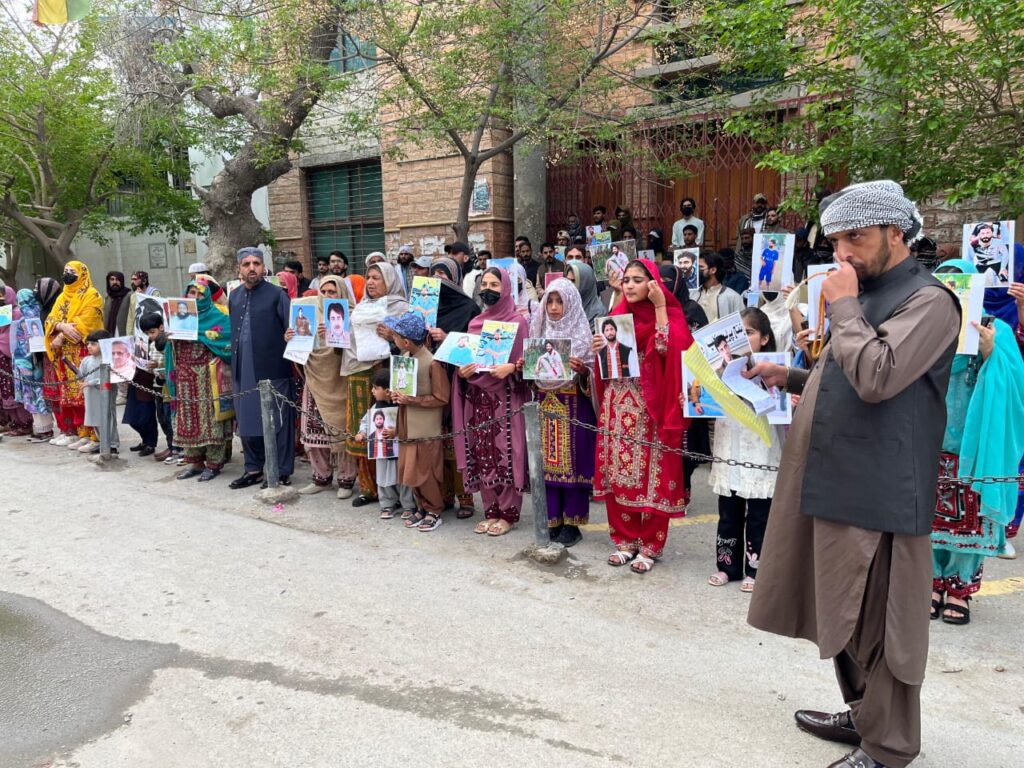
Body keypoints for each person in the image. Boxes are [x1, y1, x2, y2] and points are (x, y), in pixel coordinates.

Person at [745, 180, 961, 768]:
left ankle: (889, 746)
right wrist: (785, 375)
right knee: (840, 611)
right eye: (837, 240)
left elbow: (877, 375)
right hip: (836, 478)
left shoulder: (930, 301)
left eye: (856, 239)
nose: (843, 253)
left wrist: (840, 305)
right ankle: (865, 715)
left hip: (884, 490)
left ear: (897, 233)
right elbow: (842, 374)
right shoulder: (863, 293)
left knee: (880, 622)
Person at [928, 260, 1024, 624]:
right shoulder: (926, 330)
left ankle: (959, 588)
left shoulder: (993, 328)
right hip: (930, 442)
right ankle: (932, 582)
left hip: (974, 446)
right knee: (928, 521)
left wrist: (990, 354)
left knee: (970, 517)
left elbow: (1015, 383)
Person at [592, 258, 693, 574]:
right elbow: (606, 369)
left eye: (638, 279)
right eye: (627, 280)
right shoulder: (616, 317)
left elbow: (667, 348)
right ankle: (624, 540)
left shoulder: (671, 315)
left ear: (653, 283)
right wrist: (598, 348)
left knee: (652, 476)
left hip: (651, 409)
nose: (630, 285)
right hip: (616, 405)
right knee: (618, 473)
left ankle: (650, 545)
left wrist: (660, 306)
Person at [706, 308, 785, 592]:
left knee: (760, 513)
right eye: (735, 335)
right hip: (730, 444)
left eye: (748, 333)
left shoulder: (775, 369)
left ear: (764, 338)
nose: (741, 340)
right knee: (728, 509)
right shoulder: (718, 370)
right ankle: (727, 565)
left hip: (761, 449)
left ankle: (756, 568)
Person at [453, 267, 529, 536]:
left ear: (506, 288)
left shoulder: (518, 323)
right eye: (484, 284)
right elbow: (465, 362)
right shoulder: (475, 324)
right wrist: (462, 372)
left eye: (495, 284)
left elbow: (527, 365)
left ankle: (508, 513)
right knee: (481, 452)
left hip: (506, 398)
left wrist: (511, 368)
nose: (488, 289)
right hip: (476, 399)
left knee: (506, 453)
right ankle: (490, 509)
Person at [525, 278, 596, 547]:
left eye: (560, 301)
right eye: (550, 301)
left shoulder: (581, 336)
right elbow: (533, 378)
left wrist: (583, 372)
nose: (554, 308)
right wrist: (526, 367)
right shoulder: (538, 331)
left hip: (574, 408)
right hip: (545, 405)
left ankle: (572, 524)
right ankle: (552, 519)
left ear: (571, 303)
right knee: (547, 464)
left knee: (573, 465)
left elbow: (594, 374)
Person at [341, 261, 410, 506]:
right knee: (366, 429)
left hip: (389, 373)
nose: (370, 282)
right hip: (361, 373)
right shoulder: (360, 308)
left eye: (376, 278)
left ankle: (399, 492)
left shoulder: (401, 308)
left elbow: (413, 342)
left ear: (389, 280)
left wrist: (392, 337)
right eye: (368, 277)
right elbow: (348, 341)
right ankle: (369, 488)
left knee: (391, 430)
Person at [229, 246, 295, 489]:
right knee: (247, 421)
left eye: (256, 263)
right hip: (242, 368)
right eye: (246, 264)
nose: (252, 268)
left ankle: (281, 470)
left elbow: (294, 331)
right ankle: (253, 468)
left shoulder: (278, 295)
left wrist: (291, 336)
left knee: (277, 421)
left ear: (263, 267)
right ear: (239, 269)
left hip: (272, 368)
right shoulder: (234, 297)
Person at [385, 312, 451, 531]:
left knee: (426, 471)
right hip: (407, 426)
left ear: (405, 341)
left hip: (425, 429)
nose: (392, 339)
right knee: (410, 470)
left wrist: (411, 400)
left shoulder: (432, 363)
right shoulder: (406, 358)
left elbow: (442, 398)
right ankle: (421, 507)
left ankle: (435, 510)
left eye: (395, 336)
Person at [292, 275, 357, 496]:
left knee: (342, 428)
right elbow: (299, 348)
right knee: (313, 429)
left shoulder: (352, 314)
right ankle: (321, 478)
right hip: (314, 377)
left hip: (339, 379)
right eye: (324, 292)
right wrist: (291, 337)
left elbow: (356, 349)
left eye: (332, 292)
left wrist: (334, 334)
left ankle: (346, 480)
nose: (328, 296)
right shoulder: (310, 311)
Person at [166, 278, 233, 481]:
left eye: (199, 294)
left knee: (211, 420)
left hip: (208, 378)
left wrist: (199, 335)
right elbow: (171, 349)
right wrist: (170, 337)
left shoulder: (218, 316)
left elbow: (226, 340)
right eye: (191, 293)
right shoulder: (179, 317)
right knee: (187, 420)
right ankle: (194, 462)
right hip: (184, 378)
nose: (193, 298)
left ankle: (213, 464)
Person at [44, 260, 104, 449]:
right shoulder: (62, 297)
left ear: (83, 274)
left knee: (87, 395)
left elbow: (87, 322)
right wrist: (61, 326)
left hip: (85, 353)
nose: (67, 274)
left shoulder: (92, 295)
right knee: (71, 397)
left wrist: (61, 333)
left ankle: (95, 436)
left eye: (72, 271)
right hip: (65, 356)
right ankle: (79, 432)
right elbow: (51, 319)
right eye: (65, 271)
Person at [353, 370, 411, 517]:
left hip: (401, 449)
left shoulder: (402, 405)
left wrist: (396, 431)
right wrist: (362, 433)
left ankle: (408, 506)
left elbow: (409, 422)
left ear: (386, 391)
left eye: (375, 388)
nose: (372, 391)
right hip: (382, 449)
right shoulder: (375, 408)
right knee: (383, 478)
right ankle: (387, 505)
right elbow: (367, 421)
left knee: (404, 478)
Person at [12, 289, 54, 442]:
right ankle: (44, 428)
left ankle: (43, 430)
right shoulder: (40, 313)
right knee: (41, 394)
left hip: (28, 363)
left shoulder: (25, 319)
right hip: (40, 361)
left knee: (34, 396)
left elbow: (22, 345)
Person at [139, 312, 178, 463]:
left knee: (169, 417)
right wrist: (148, 367)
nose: (150, 336)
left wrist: (159, 365)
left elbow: (171, 361)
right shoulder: (151, 345)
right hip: (156, 385)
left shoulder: (168, 342)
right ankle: (170, 445)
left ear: (161, 327)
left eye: (152, 332)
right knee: (161, 417)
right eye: (147, 333)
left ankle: (175, 447)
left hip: (168, 386)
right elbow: (153, 365)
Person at [78, 330, 118, 454]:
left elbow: (110, 377)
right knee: (94, 418)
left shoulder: (109, 360)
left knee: (107, 417)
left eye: (94, 344)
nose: (89, 346)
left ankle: (112, 444)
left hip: (105, 394)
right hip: (90, 394)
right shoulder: (86, 360)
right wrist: (82, 383)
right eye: (88, 343)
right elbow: (81, 375)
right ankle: (102, 442)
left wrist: (90, 383)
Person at [1, 285, 33, 437]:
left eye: (2, 295)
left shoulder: (17, 312)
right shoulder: (3, 312)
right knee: (6, 393)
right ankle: (14, 423)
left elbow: (9, 335)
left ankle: (25, 423)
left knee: (15, 391)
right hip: (2, 359)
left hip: (13, 357)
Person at [695, 252, 744, 323]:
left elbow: (742, 324)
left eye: (701, 267)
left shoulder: (732, 297)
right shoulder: (692, 295)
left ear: (713, 270)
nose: (696, 271)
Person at [565, 258, 605, 324]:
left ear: (585, 283)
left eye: (573, 281)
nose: (569, 285)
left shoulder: (598, 312)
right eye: (568, 280)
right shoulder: (566, 306)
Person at [103, 271, 131, 336]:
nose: (115, 282)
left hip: (124, 335)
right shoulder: (107, 298)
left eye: (117, 279)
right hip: (109, 335)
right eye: (112, 279)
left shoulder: (129, 296)